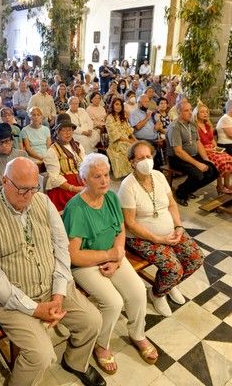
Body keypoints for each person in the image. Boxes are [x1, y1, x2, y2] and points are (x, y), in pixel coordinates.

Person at [0, 157, 106, 386]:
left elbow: (61, 247)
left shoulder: (42, 201)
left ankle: (75, 361)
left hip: (53, 287)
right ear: (4, 181)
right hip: (12, 299)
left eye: (33, 188)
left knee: (92, 320)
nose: (28, 196)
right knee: (41, 355)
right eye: (22, 189)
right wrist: (35, 309)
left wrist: (59, 294)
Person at [63, 153, 158, 374]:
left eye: (106, 175)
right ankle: (101, 344)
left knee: (137, 292)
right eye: (97, 176)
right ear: (84, 179)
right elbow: (74, 255)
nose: (105, 180)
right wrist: (109, 255)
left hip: (112, 256)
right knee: (113, 302)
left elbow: (120, 229)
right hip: (86, 264)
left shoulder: (112, 198)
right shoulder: (76, 208)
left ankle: (137, 334)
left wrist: (117, 257)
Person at [118, 140, 204, 317]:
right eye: (140, 158)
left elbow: (172, 204)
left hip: (170, 230)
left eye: (148, 156)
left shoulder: (158, 176)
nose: (146, 160)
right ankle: (157, 294)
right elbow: (130, 223)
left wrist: (179, 226)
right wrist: (157, 239)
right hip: (141, 238)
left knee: (196, 258)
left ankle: (170, 285)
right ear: (132, 162)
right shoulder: (128, 185)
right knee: (174, 268)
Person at [166, 101, 219, 206]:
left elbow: (198, 142)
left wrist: (205, 159)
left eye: (190, 109)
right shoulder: (175, 127)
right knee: (198, 175)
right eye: (186, 110)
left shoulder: (192, 124)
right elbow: (178, 151)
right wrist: (198, 164)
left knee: (213, 171)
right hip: (177, 159)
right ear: (179, 112)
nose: (190, 112)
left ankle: (187, 189)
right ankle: (180, 193)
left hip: (193, 155)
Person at [44, 113, 85, 211]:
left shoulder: (78, 146)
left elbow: (85, 166)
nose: (68, 133)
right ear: (57, 132)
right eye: (64, 130)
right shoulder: (52, 151)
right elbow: (54, 178)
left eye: (70, 129)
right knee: (80, 206)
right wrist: (74, 188)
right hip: (63, 188)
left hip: (80, 181)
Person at [194, 103, 232, 193]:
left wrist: (216, 148)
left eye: (206, 112)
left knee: (228, 158)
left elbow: (212, 140)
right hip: (202, 150)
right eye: (202, 112)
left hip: (211, 149)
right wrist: (210, 150)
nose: (205, 114)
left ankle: (227, 184)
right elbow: (196, 144)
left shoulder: (208, 125)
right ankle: (219, 186)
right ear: (197, 114)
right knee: (220, 161)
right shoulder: (195, 127)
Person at [0, 123, 27, 195]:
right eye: (0, 142)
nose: (4, 145)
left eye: (6, 141)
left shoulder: (22, 155)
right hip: (3, 198)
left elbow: (29, 178)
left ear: (12, 140)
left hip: (25, 193)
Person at [106, 97, 136, 179]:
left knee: (138, 145)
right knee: (126, 146)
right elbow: (115, 135)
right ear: (112, 105)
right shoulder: (109, 118)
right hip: (116, 142)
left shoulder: (122, 116)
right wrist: (129, 141)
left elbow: (129, 130)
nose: (118, 107)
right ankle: (130, 172)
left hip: (126, 139)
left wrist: (135, 140)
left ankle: (136, 170)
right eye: (116, 104)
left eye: (120, 105)